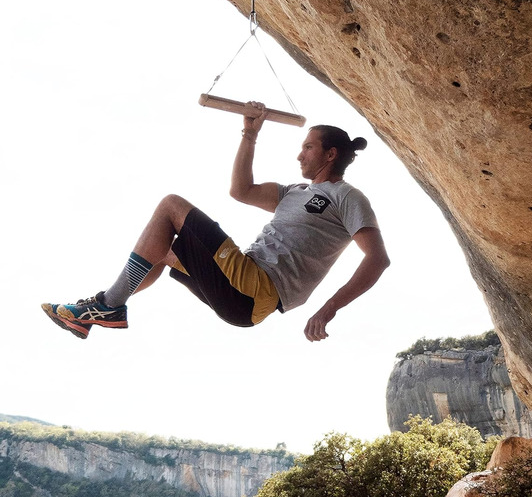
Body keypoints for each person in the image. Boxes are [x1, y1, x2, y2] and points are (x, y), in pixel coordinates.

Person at [42, 102, 390, 342]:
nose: (300, 154)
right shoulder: (292, 191)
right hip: (242, 298)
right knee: (159, 247)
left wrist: (328, 309)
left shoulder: (348, 197)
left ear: (330, 154)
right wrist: (250, 134)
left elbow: (377, 259)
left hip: (258, 288)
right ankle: (105, 308)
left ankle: (108, 305)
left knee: (171, 205)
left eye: (309, 147)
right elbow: (241, 190)